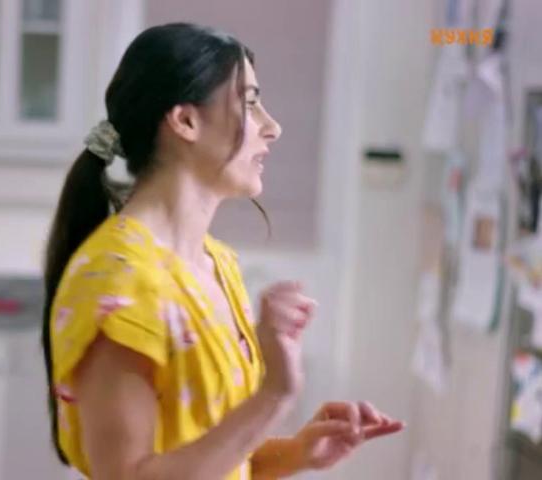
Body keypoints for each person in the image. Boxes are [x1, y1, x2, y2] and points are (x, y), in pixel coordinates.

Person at [41, 22, 404, 480]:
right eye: (249, 103)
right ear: (185, 121)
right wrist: (274, 396)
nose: (272, 127)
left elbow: (210, 458)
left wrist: (296, 452)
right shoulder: (120, 281)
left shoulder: (218, 264)